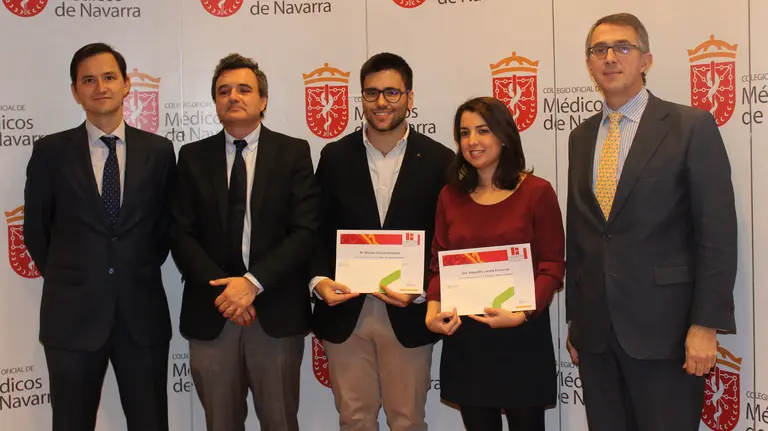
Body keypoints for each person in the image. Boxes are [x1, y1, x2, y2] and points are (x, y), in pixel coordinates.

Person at [565, 13, 738, 431]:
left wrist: (705, 324)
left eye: (623, 47)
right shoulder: (581, 136)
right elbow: (582, 233)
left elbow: (716, 232)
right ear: (589, 64)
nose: (610, 57)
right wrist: (576, 318)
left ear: (646, 60)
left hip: (668, 334)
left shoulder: (690, 126)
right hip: (597, 335)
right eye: (599, 50)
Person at [23, 42, 175, 431]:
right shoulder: (50, 152)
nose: (100, 87)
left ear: (126, 85)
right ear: (75, 91)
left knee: (150, 422)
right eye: (88, 80)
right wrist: (79, 276)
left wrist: (129, 269)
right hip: (71, 319)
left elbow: (163, 231)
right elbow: (37, 233)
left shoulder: (159, 151)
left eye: (109, 77)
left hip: (141, 318)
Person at [170, 53, 320, 431]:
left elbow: (304, 231)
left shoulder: (293, 152)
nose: (233, 97)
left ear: (263, 100)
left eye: (243, 89)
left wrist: (251, 285)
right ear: (215, 102)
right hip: (212, 310)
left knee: (280, 421)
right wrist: (227, 292)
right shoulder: (191, 157)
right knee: (220, 423)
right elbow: (179, 232)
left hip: (274, 310)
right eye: (223, 91)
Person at [310, 52, 453, 431]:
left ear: (409, 97)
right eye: (371, 93)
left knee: (407, 420)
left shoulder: (441, 160)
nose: (381, 102)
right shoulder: (335, 156)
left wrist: (423, 289)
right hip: (346, 310)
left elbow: (448, 238)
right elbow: (314, 229)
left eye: (392, 92)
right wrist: (318, 280)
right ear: (361, 99)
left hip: (407, 310)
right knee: (354, 420)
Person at [424, 96, 564, 431]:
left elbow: (552, 265)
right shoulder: (449, 196)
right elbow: (438, 264)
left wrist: (522, 314)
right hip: (467, 336)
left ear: (503, 136)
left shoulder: (537, 192)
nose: (472, 141)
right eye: (465, 132)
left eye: (482, 130)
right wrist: (432, 308)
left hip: (521, 335)